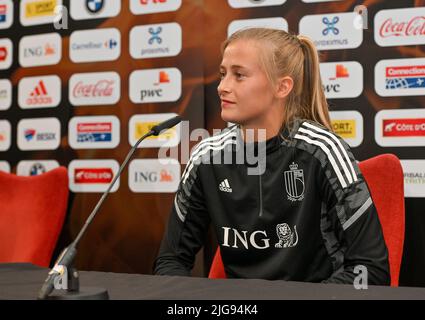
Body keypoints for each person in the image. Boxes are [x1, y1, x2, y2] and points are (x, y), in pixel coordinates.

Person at [154, 28, 390, 284]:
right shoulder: (206, 157)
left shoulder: (323, 151)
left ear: (282, 87)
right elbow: (171, 260)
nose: (222, 87)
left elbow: (371, 270)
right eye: (223, 74)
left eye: (239, 75)